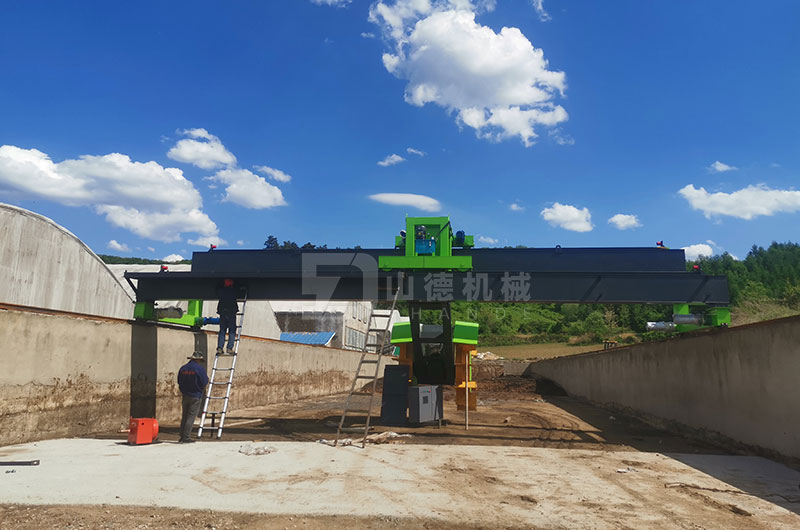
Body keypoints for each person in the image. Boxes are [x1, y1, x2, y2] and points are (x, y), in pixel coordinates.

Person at [177, 351, 209, 443]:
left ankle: (182, 436)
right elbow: (204, 381)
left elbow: (179, 381)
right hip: (196, 395)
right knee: (191, 416)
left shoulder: (183, 368)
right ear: (198, 360)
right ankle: (186, 437)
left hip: (185, 394)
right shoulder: (200, 369)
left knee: (185, 416)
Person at [216, 278, 239, 354]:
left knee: (222, 330)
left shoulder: (221, 291)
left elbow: (217, 290)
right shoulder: (234, 291)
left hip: (223, 312)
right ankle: (229, 348)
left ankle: (220, 348)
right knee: (232, 331)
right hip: (231, 313)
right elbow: (238, 292)